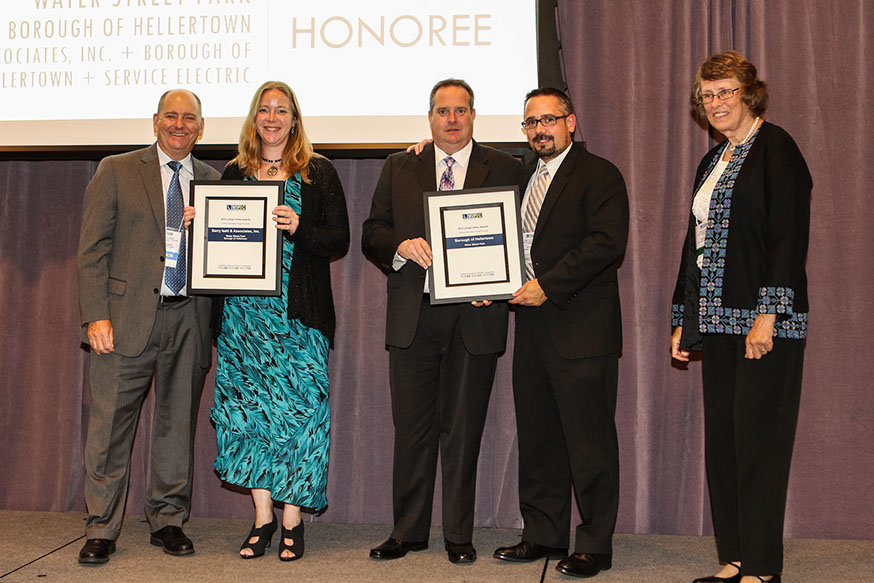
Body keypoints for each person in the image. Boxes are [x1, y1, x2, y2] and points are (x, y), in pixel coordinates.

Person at [362, 78, 520, 564]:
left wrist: (498, 284)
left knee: (462, 432)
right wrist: (399, 245)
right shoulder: (400, 165)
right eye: (442, 111)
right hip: (414, 316)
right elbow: (372, 231)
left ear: (474, 116)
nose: (452, 119)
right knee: (411, 431)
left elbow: (521, 238)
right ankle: (407, 531)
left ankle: (458, 535)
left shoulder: (507, 167)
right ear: (429, 117)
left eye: (461, 110)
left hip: (475, 318)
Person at [671, 51, 811, 583]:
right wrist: (684, 318)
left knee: (758, 444)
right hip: (716, 324)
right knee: (725, 444)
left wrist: (768, 314)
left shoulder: (778, 148)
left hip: (763, 325)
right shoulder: (712, 160)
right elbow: (694, 246)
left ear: (749, 94)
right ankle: (733, 558)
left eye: (726, 91)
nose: (716, 102)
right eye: (707, 95)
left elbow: (788, 239)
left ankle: (762, 567)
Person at [76, 89, 221, 565]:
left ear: (201, 127)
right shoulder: (116, 169)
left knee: (177, 426)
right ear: (155, 121)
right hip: (123, 321)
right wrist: (95, 315)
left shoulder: (213, 182)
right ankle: (101, 527)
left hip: (189, 318)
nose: (180, 124)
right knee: (109, 429)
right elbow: (92, 249)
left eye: (189, 118)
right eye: (171, 116)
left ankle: (168, 520)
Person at [209, 80, 349, 562]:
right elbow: (221, 240)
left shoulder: (318, 172)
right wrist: (200, 224)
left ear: (294, 119)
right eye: (265, 109)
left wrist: (300, 227)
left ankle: (292, 519)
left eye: (282, 110)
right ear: (255, 118)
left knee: (301, 414)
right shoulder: (234, 172)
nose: (272, 117)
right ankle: (262, 518)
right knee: (250, 414)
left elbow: (338, 239)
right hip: (243, 317)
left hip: (298, 316)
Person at [493, 87, 629, 579]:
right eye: (531, 122)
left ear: (571, 122)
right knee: (539, 437)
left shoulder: (599, 174)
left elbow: (606, 244)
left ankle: (594, 544)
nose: (539, 130)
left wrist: (547, 286)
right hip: (532, 327)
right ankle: (543, 533)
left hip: (582, 329)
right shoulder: (523, 176)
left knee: (589, 442)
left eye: (548, 120)